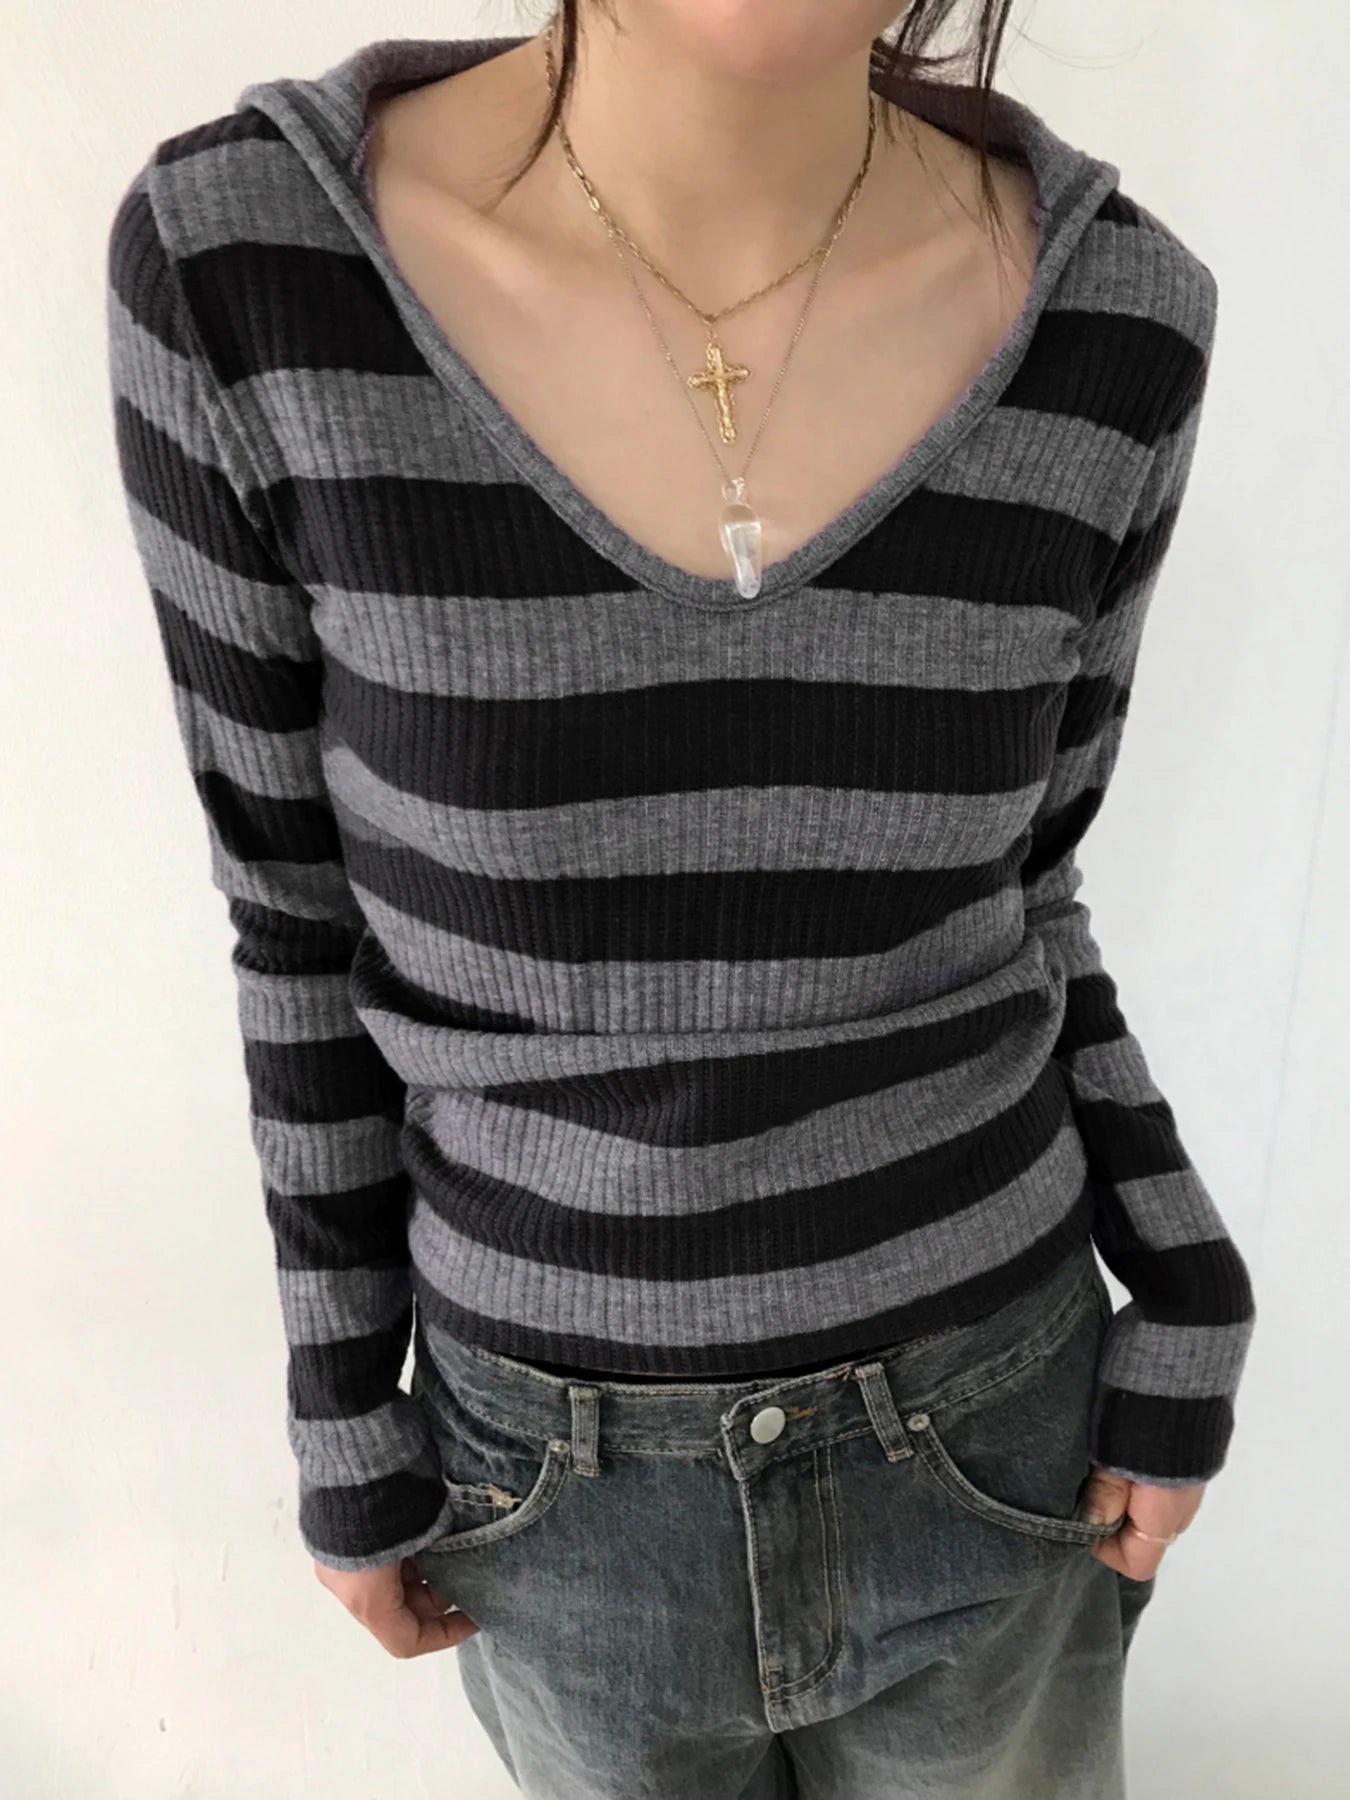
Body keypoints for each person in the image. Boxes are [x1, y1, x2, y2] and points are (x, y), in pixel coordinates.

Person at [106, 5, 1256, 1794]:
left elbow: (1030, 892)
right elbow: (294, 924)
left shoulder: (1118, 320)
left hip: (1001, 1432)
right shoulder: (246, 267)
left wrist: (1186, 1282)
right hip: (548, 1494)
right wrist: (339, 1406)